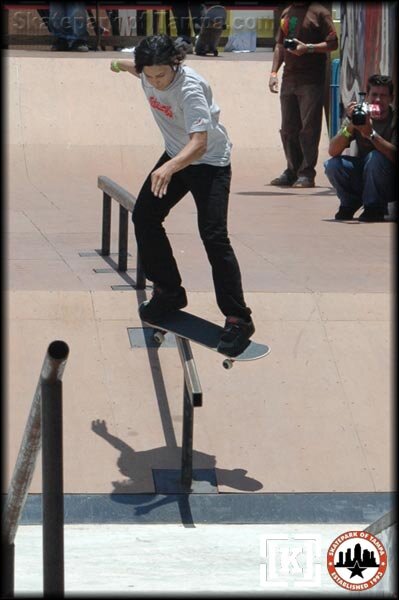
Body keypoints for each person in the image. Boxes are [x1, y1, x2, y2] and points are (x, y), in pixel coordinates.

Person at [110, 35, 254, 356]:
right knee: (145, 216)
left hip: (209, 163)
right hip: (176, 156)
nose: (156, 82)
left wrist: (170, 167)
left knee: (213, 235)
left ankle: (238, 318)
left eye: (162, 75)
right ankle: (169, 292)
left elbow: (199, 142)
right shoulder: (145, 72)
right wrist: (117, 65)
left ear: (175, 64)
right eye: (149, 75)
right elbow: (131, 68)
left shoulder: (190, 88)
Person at [268, 2, 338, 188]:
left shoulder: (320, 13)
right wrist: (274, 73)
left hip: (312, 79)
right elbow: (280, 45)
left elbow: (333, 43)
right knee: (288, 128)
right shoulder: (287, 12)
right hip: (289, 78)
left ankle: (306, 173)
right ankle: (292, 170)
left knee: (308, 128)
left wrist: (308, 48)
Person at [324, 74, 396, 222]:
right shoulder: (360, 115)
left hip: (389, 179)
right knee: (332, 165)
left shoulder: (394, 119)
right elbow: (333, 151)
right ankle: (350, 202)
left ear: (391, 98)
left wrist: (371, 134)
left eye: (383, 96)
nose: (378, 100)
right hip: (366, 174)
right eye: (374, 95)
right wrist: (351, 125)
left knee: (375, 157)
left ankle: (374, 207)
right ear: (367, 96)